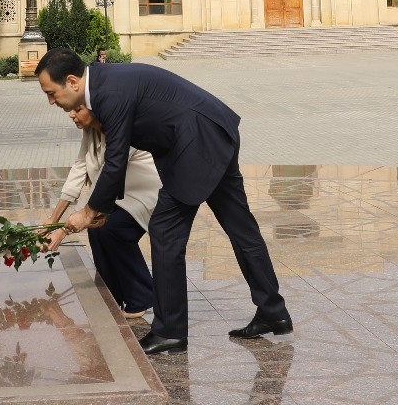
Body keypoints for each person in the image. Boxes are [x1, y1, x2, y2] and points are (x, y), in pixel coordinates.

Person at [36, 49, 292, 356]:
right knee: (242, 229)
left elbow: (115, 161)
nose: (51, 102)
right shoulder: (105, 85)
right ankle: (273, 311)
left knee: (165, 231)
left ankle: (170, 331)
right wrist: (99, 211)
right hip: (212, 132)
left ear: (73, 82)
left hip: (197, 143)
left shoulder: (109, 93)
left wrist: (89, 211)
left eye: (51, 93)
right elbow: (112, 162)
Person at [48, 102, 159, 319]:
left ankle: (140, 297)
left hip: (147, 196)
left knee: (114, 230)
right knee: (97, 230)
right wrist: (52, 219)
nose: (71, 115)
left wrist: (64, 230)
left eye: (77, 110)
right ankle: (113, 295)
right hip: (120, 196)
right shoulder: (91, 131)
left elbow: (105, 181)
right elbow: (80, 168)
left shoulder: (122, 131)